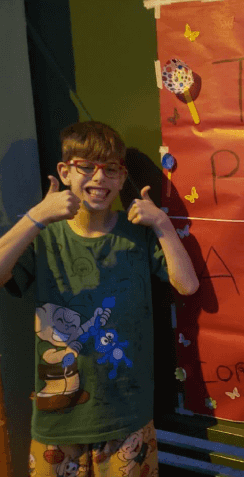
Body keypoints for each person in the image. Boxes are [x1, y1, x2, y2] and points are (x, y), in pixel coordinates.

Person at [0, 121, 199, 476]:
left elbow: (187, 286)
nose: (99, 178)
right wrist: (36, 217)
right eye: (86, 166)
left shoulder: (135, 237)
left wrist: (163, 225)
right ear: (64, 172)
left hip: (127, 419)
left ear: (122, 179)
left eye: (110, 169)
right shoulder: (45, 236)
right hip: (57, 422)